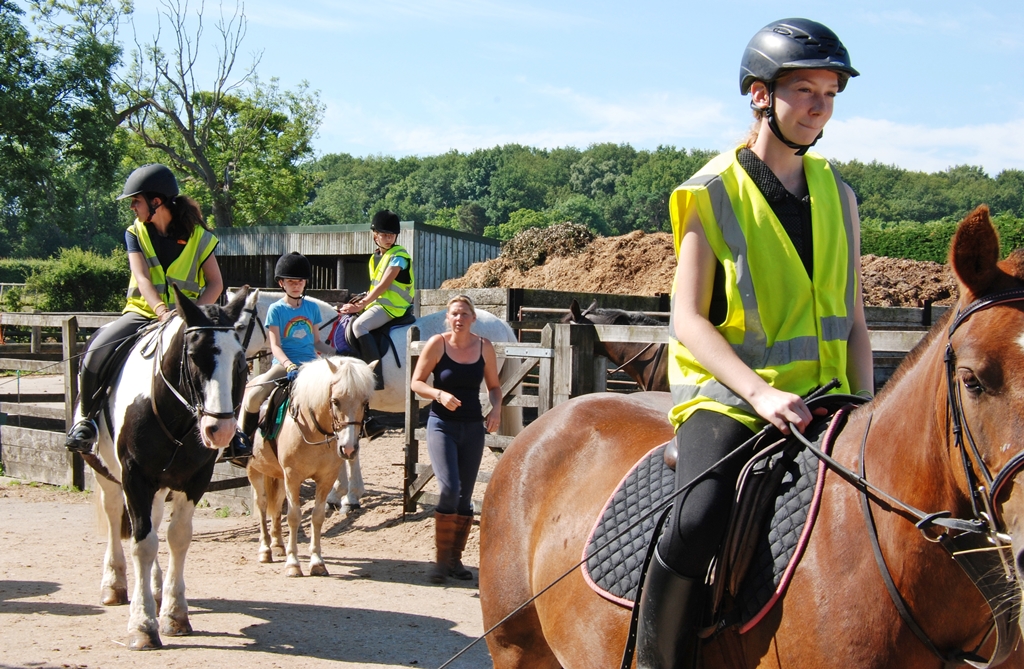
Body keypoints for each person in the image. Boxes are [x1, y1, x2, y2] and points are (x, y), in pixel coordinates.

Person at [635, 18, 874, 668]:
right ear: (760, 95)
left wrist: (865, 407)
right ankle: (660, 660)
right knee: (698, 516)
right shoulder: (712, 191)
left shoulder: (840, 195)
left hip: (827, 401)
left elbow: (853, 318)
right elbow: (688, 318)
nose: (820, 104)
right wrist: (760, 391)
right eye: (805, 89)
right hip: (732, 400)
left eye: (830, 91)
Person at [66, 164, 224, 454]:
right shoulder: (135, 232)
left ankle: (234, 428)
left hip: (185, 320)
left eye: (135, 201)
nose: (132, 207)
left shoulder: (200, 237)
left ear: (157, 201)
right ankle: (85, 420)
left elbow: (215, 284)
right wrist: (162, 311)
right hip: (141, 313)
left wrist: (191, 314)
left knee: (227, 359)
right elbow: (142, 277)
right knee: (96, 348)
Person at [409, 295, 502, 583]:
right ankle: (440, 561)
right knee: (449, 487)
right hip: (442, 425)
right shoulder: (438, 343)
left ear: (473, 318)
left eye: (464, 314)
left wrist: (496, 408)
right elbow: (416, 382)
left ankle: (455, 560)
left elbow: (494, 386)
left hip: (473, 427)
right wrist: (438, 394)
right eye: (454, 314)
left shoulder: (484, 347)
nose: (459, 318)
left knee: (465, 496)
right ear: (447, 318)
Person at [231, 252, 336, 457]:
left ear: (305, 283)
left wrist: (337, 353)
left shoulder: (312, 308)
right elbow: (275, 345)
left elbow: (316, 342)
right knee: (252, 397)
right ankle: (243, 443)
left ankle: (359, 427)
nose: (296, 285)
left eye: (299, 281)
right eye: (291, 281)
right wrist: (288, 365)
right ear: (281, 283)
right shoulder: (276, 310)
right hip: (284, 365)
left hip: (311, 365)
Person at [339, 209, 415, 391]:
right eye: (384, 235)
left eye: (392, 235)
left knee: (359, 326)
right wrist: (360, 300)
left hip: (394, 307)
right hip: (378, 304)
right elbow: (374, 287)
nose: (389, 238)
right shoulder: (376, 258)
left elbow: (384, 285)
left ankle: (375, 376)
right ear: (375, 235)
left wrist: (362, 305)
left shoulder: (400, 256)